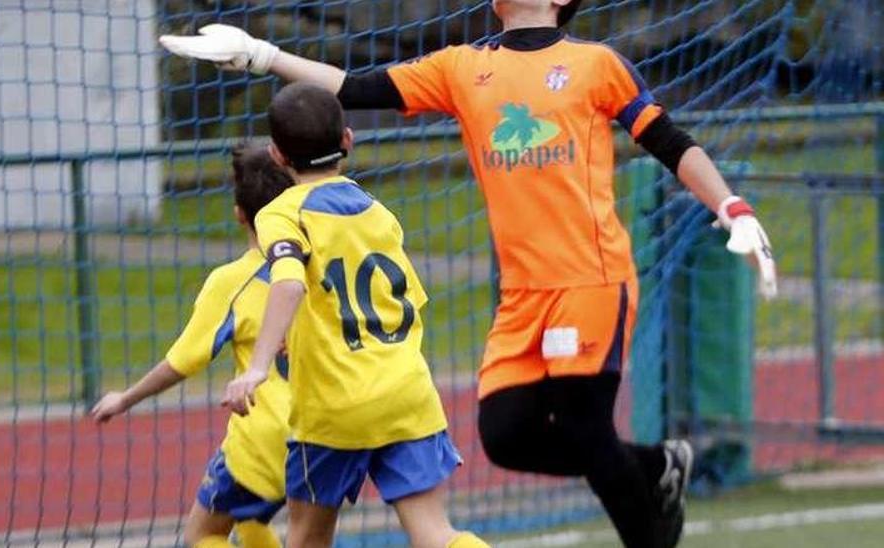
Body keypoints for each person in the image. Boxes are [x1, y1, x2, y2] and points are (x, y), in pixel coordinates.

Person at [160, 1, 778, 547]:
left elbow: (671, 141)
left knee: (586, 427)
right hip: (522, 296)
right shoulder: (462, 68)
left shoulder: (596, 64)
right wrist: (262, 54)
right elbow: (354, 86)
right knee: (505, 435)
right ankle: (653, 467)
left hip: (590, 278)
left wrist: (731, 206)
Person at [219, 83, 488, 548]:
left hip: (334, 406)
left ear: (277, 155)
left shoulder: (281, 214)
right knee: (435, 533)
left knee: (306, 537)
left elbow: (288, 281)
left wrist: (258, 366)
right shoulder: (378, 213)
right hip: (406, 392)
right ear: (348, 139)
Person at [90, 144, 295, 548]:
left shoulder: (231, 282)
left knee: (201, 534)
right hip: (323, 436)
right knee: (254, 521)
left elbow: (182, 362)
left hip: (263, 443)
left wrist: (126, 399)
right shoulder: (317, 266)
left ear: (239, 215)